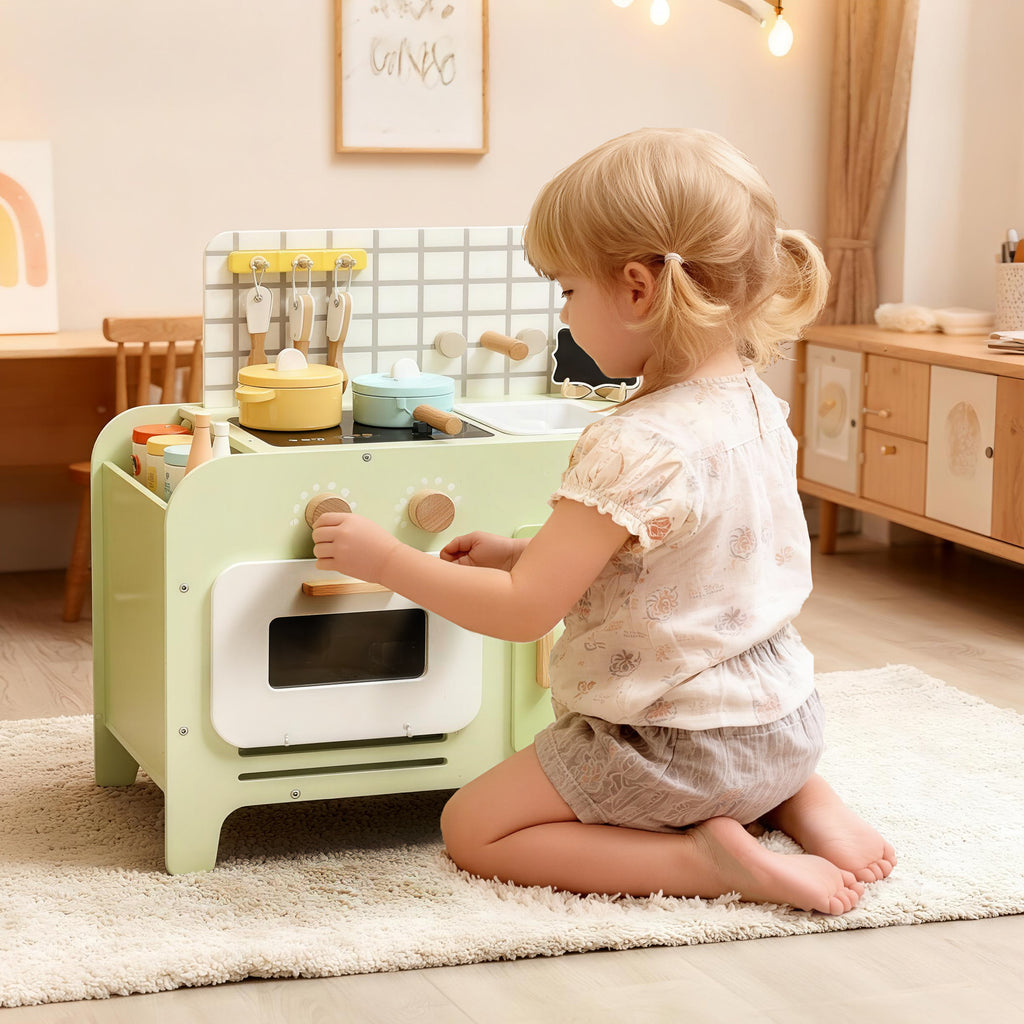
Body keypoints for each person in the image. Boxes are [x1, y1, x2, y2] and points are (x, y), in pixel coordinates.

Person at [312, 127, 896, 915]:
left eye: (564, 290)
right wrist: (523, 550)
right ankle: (803, 802)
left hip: (671, 749)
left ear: (635, 289)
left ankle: (710, 863)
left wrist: (385, 561)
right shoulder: (754, 402)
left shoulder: (633, 441)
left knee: (473, 828)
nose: (561, 313)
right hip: (787, 726)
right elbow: (695, 559)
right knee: (740, 754)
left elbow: (525, 615)